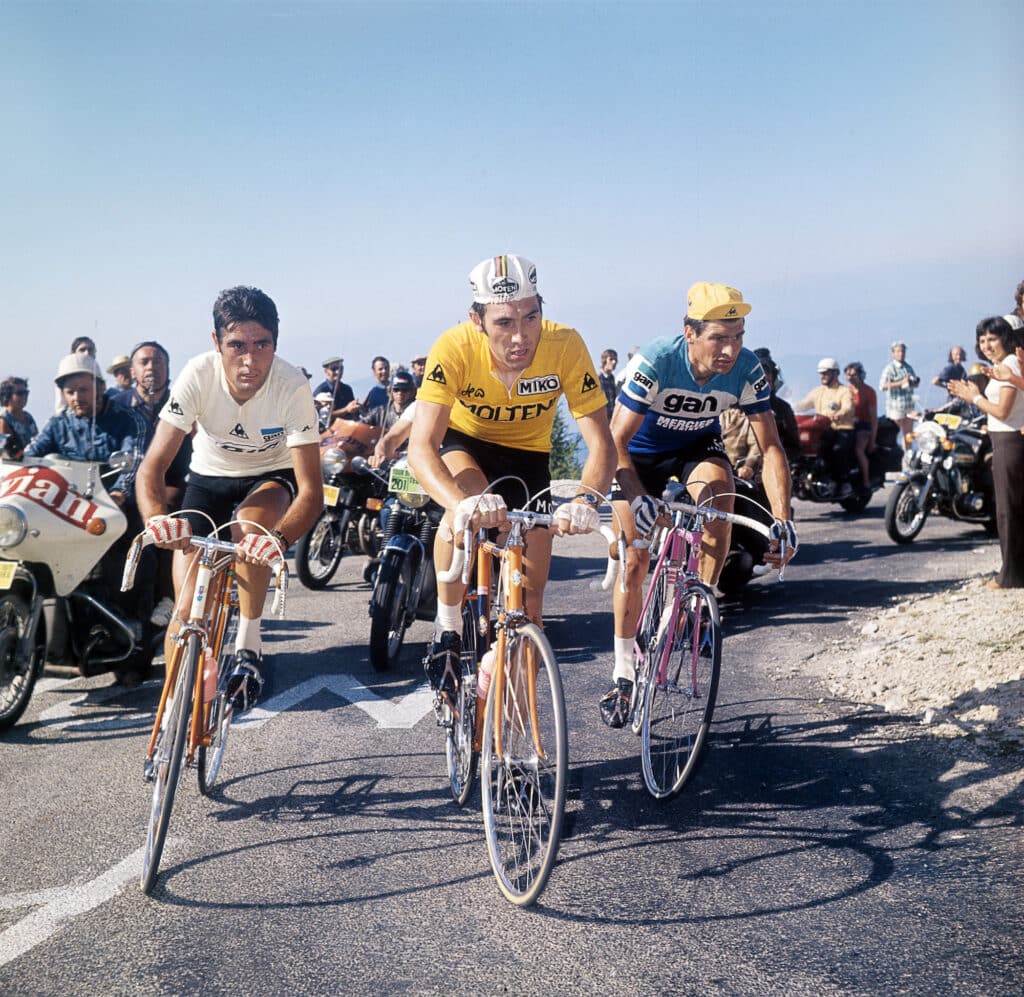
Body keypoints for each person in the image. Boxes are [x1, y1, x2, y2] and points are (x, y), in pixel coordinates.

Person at [408, 254, 616, 706]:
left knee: (530, 609)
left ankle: (515, 724)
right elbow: (421, 446)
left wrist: (585, 499)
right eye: (504, 322)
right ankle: (446, 629)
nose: (520, 336)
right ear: (477, 320)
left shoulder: (565, 344)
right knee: (465, 506)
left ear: (543, 308)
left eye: (531, 317)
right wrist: (457, 504)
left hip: (529, 459)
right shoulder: (455, 346)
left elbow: (602, 445)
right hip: (467, 442)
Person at [602, 282, 796, 727]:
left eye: (738, 336)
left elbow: (771, 449)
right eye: (718, 338)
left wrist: (783, 520)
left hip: (697, 446)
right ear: (689, 332)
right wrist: (636, 496)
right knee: (634, 560)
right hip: (638, 453)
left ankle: (699, 603)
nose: (730, 349)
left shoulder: (746, 369)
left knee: (720, 497)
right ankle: (623, 672)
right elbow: (614, 441)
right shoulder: (656, 360)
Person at [136, 286, 323, 711]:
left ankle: (248, 645)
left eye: (263, 345)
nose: (250, 359)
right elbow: (151, 468)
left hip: (269, 478)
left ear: (276, 343)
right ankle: (172, 718)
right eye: (237, 345)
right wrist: (155, 519)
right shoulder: (198, 374)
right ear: (216, 342)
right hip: (208, 479)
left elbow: (311, 492)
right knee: (186, 609)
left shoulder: (291, 385)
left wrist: (279, 539)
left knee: (250, 532)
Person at [26, 353, 153, 680]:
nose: (76, 398)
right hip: (66, 515)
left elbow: (134, 462)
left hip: (114, 511)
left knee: (124, 571)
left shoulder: (128, 418)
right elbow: (31, 457)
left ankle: (132, 646)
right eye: (70, 391)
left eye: (83, 390)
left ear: (99, 387)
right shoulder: (59, 423)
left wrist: (117, 495)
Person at [110, 341, 193, 627]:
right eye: (144, 362)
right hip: (120, 486)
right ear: (131, 370)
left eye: (158, 361)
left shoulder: (183, 402)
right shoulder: (116, 406)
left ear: (168, 368)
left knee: (172, 514)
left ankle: (168, 597)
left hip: (169, 483)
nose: (151, 367)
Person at [948, 317, 1024, 589]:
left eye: (992, 339)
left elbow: (1003, 411)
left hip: (1009, 442)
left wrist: (975, 398)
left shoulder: (1010, 365)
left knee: (1008, 510)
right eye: (982, 340)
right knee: (1009, 508)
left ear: (1005, 337)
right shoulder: (1001, 366)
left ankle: (1011, 577)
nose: (987, 345)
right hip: (1003, 439)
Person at [794, 358, 857, 498]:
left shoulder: (844, 391)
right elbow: (804, 404)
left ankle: (842, 482)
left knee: (837, 450)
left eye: (826, 373)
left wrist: (839, 414)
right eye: (821, 373)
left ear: (835, 373)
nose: (822, 376)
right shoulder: (818, 391)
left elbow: (848, 407)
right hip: (821, 430)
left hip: (841, 428)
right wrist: (790, 406)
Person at [752, 347, 800, 464]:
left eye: (768, 373)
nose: (764, 377)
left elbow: (794, 447)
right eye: (759, 373)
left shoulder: (783, 408)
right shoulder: (734, 407)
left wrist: (776, 460)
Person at [880, 341, 920, 453]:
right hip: (895, 406)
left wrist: (913, 383)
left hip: (908, 405)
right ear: (893, 353)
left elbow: (912, 382)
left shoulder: (908, 367)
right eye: (898, 351)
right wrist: (900, 382)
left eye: (902, 351)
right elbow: (883, 386)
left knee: (908, 436)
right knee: (894, 435)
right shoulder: (890, 368)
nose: (901, 354)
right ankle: (895, 457)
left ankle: (908, 458)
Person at [845, 361, 878, 494]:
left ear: (860, 375)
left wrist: (872, 441)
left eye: (853, 375)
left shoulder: (869, 392)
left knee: (859, 449)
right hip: (848, 424)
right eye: (848, 375)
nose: (850, 378)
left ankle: (866, 481)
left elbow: (873, 418)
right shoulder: (847, 391)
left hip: (864, 426)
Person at [362, 368, 416, 435]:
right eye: (396, 389)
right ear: (390, 391)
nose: (400, 393)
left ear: (411, 392)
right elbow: (361, 424)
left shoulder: (417, 413)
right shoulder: (379, 412)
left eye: (404, 390)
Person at [0, 377, 38, 458]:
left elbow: (39, 442)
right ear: (7, 396)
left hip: (33, 462)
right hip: (15, 466)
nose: (24, 396)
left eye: (26, 393)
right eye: (20, 393)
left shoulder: (28, 417)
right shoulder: (3, 421)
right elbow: (5, 453)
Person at [598, 349, 618, 418]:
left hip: (611, 418)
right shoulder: (597, 378)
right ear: (604, 360)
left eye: (615, 360)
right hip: (601, 418)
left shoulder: (612, 378)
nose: (614, 362)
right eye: (611, 359)